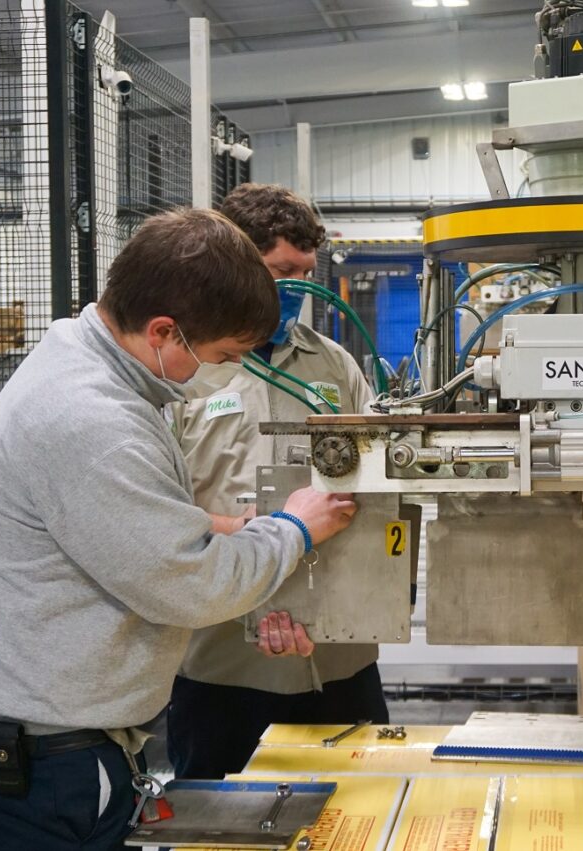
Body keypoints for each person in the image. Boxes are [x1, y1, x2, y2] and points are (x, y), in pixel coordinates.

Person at [0, 208, 357, 851]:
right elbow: (194, 586)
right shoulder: (93, 420)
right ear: (165, 331)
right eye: (220, 356)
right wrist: (292, 527)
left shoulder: (75, 356)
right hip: (43, 772)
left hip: (52, 748)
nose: (213, 374)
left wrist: (232, 523)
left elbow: (125, 523)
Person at [167, 183, 389, 781]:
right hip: (224, 668)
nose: (295, 288)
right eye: (279, 272)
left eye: (305, 272)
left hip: (336, 657)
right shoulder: (186, 375)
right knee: (217, 831)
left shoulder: (334, 364)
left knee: (356, 816)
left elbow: (375, 491)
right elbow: (163, 515)